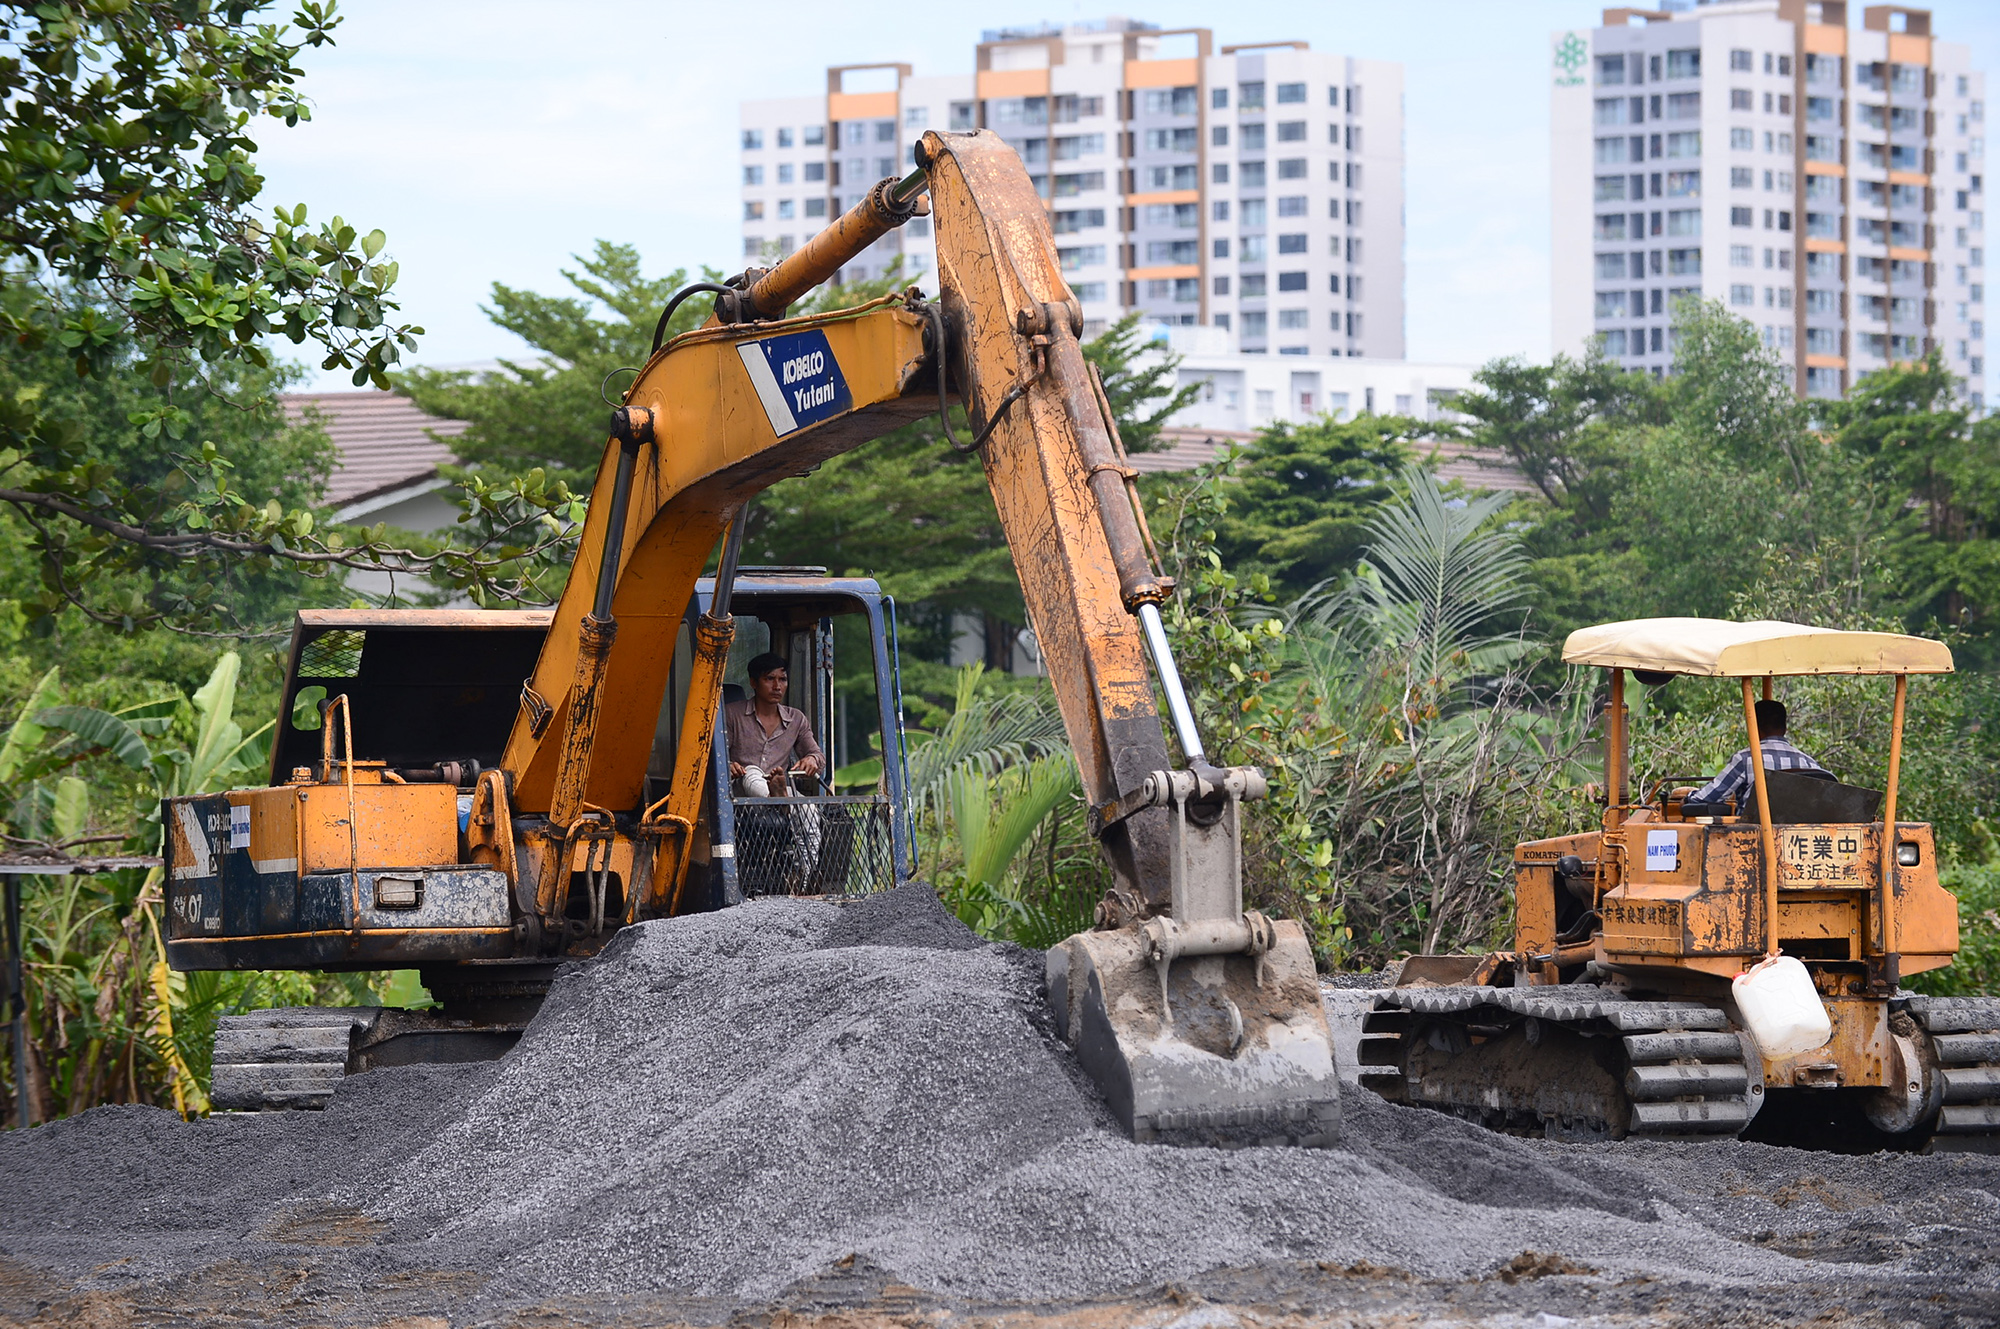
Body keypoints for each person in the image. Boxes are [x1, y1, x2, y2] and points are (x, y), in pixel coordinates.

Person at [1686, 698, 1826, 810]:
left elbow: (1706, 798)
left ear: (1753, 726)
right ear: (1785, 728)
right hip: (1798, 840)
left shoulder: (1746, 759)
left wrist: (1687, 797)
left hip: (1753, 836)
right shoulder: (1809, 763)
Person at [724, 652, 824, 797]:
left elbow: (818, 755)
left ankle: (780, 802)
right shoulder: (732, 714)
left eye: (782, 679)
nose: (777, 686)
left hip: (779, 790)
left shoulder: (796, 719)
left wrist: (812, 759)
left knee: (808, 808)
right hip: (738, 795)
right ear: (753, 682)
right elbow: (713, 760)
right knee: (751, 773)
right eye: (770, 679)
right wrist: (729, 766)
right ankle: (777, 800)